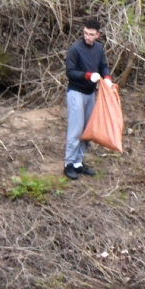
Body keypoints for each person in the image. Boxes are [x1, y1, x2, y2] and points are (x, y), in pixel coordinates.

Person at [64, 18, 111, 180]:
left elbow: (103, 65)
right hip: (76, 92)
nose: (87, 37)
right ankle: (68, 164)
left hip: (90, 94)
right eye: (85, 33)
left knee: (87, 130)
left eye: (91, 34)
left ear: (98, 34)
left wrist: (107, 78)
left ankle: (78, 162)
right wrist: (88, 75)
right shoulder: (75, 49)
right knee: (76, 130)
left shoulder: (98, 48)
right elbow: (70, 72)